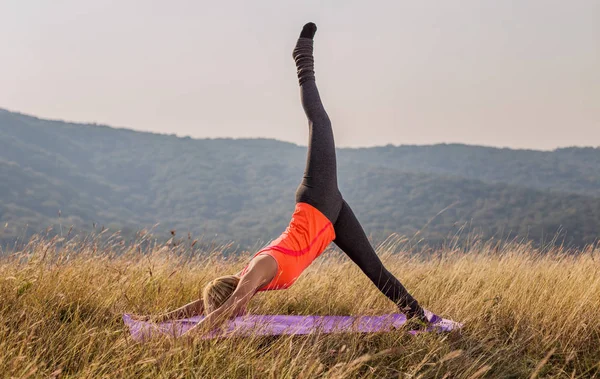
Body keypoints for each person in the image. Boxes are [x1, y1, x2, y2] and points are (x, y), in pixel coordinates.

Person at [140, 23, 429, 334]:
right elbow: (203, 304)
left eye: (233, 307)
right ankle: (416, 316)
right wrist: (156, 321)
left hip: (317, 201)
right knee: (373, 268)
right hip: (328, 222)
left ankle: (303, 59)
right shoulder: (245, 278)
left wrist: (192, 337)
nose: (241, 312)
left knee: (320, 121)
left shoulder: (258, 271)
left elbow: (231, 304)